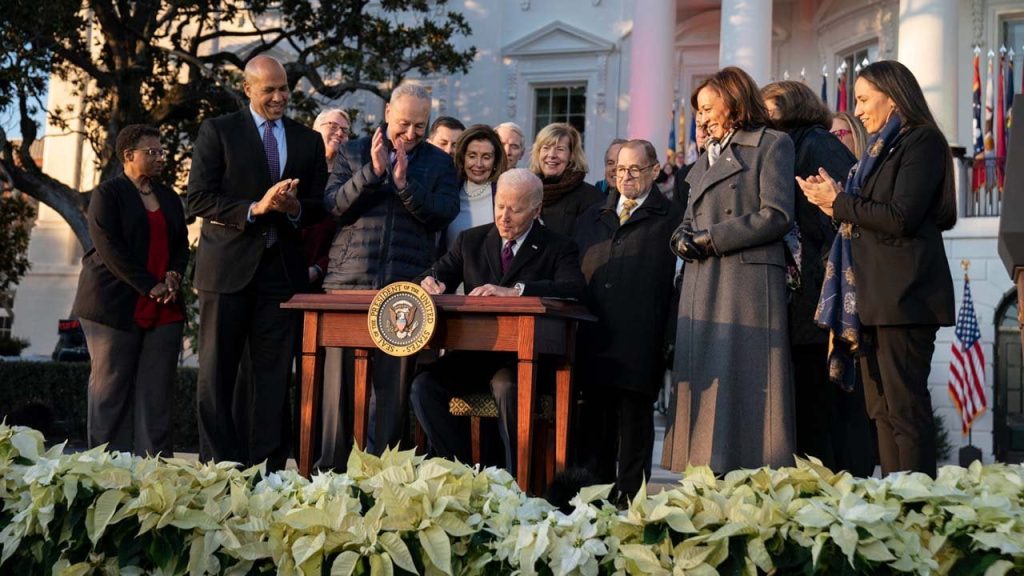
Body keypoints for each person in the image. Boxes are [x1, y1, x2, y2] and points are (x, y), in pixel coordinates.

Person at [796, 60, 957, 477]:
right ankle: (893, 498)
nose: (859, 109)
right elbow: (865, 218)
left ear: (893, 94)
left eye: (865, 99)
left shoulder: (922, 142)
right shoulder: (878, 150)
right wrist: (831, 203)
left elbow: (900, 216)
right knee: (880, 411)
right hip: (869, 298)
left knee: (905, 410)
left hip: (905, 298)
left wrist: (837, 202)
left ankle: (918, 508)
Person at [187, 55, 328, 470]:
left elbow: (319, 207)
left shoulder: (307, 141)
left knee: (270, 379)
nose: (280, 97)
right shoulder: (218, 131)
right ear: (247, 89)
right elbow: (198, 198)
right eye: (270, 90)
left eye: (284, 88)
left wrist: (294, 207)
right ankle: (218, 468)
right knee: (217, 375)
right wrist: (256, 207)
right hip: (226, 270)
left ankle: (266, 472)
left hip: (281, 274)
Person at [662, 66, 796, 473]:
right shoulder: (704, 158)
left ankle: (749, 480)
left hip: (746, 285)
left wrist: (709, 239)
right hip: (703, 282)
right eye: (698, 110)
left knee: (745, 386)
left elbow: (777, 215)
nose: (700, 118)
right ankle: (706, 479)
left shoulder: (773, 144)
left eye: (707, 108)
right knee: (706, 385)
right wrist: (681, 238)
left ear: (733, 101)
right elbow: (688, 216)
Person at [411, 168, 585, 471]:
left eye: (515, 210)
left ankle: (515, 482)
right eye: (500, 206)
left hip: (526, 360)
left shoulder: (558, 247)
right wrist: (429, 283)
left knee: (506, 386)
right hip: (475, 354)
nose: (504, 216)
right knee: (423, 386)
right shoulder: (470, 241)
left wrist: (516, 291)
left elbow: (574, 289)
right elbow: (435, 274)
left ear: (536, 209)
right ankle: (464, 472)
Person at [322, 82, 459, 465]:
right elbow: (333, 206)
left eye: (420, 125)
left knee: (392, 395)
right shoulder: (352, 151)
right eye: (404, 124)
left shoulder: (439, 162)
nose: (411, 134)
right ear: (386, 114)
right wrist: (373, 171)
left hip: (405, 290)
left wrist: (403, 184)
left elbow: (442, 212)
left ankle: (385, 477)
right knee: (339, 393)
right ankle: (329, 477)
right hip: (348, 285)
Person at [761, 80, 873, 476]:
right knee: (807, 405)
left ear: (794, 107)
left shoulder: (815, 143)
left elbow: (845, 213)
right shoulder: (784, 146)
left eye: (770, 110)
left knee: (828, 404)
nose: (763, 117)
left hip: (823, 293)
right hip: (799, 299)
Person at [573, 139, 684, 499]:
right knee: (595, 429)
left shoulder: (670, 220)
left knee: (635, 427)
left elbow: (675, 286)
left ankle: (631, 504)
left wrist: (667, 339)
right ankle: (596, 503)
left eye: (635, 169)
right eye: (620, 169)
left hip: (641, 340)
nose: (626, 177)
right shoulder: (593, 217)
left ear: (654, 171)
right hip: (594, 339)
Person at [72, 124, 188, 457]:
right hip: (113, 304)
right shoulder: (108, 194)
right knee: (110, 391)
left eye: (161, 151)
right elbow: (109, 248)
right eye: (152, 152)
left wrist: (173, 274)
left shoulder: (168, 196)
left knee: (157, 395)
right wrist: (149, 284)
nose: (160, 158)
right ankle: (107, 470)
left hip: (164, 304)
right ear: (129, 156)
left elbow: (181, 243)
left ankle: (155, 477)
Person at [529, 123, 603, 238]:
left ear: (571, 156)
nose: (552, 155)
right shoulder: (527, 192)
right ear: (538, 153)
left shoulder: (591, 198)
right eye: (546, 148)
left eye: (560, 149)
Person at [442, 124, 507, 254]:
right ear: (462, 158)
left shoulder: (505, 193)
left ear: (495, 161)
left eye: (486, 157)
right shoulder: (449, 189)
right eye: (472, 156)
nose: (478, 164)